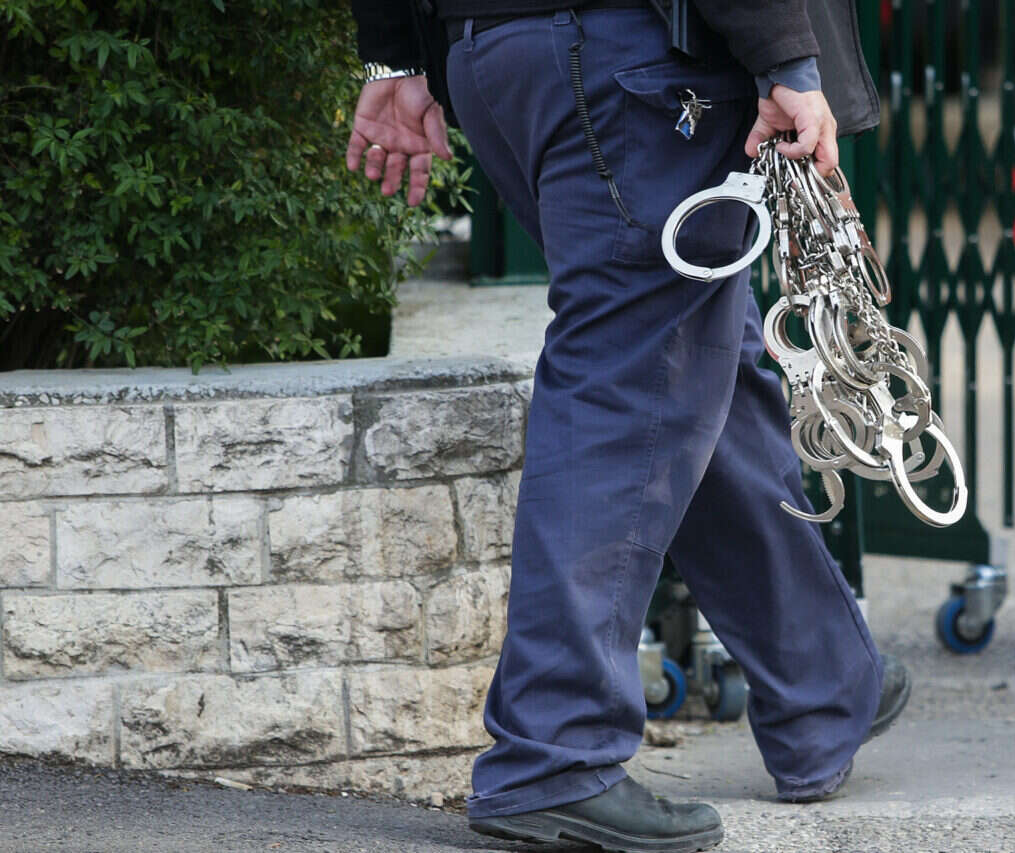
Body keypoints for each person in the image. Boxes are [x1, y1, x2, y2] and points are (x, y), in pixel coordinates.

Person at [346, 2, 910, 851]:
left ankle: (821, 679)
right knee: (629, 381)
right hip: (630, 56)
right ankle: (555, 753)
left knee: (685, 358)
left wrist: (396, 57)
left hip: (496, 59)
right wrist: (787, 60)